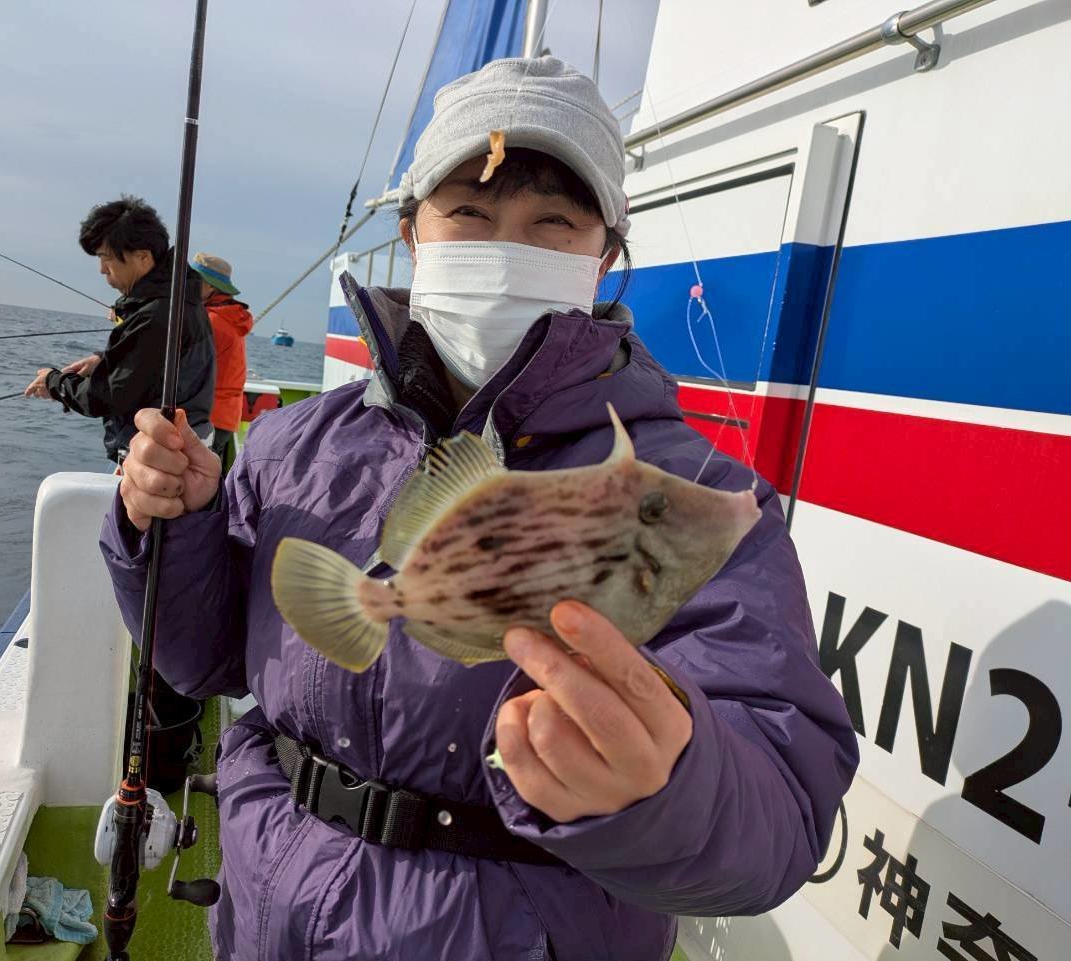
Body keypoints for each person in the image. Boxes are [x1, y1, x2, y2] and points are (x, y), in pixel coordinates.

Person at [100, 58, 858, 960]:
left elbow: (779, 809)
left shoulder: (698, 491)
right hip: (272, 913)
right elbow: (206, 661)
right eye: (468, 210)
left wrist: (668, 787)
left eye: (554, 222)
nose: (506, 248)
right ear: (414, 233)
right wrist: (174, 526)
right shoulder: (292, 442)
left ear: (604, 254)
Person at [23, 195, 215, 464]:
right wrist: (105, 360)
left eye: (106, 258)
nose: (102, 269)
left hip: (161, 459)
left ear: (142, 257)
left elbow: (105, 397)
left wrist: (54, 382)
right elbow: (154, 364)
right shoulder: (180, 300)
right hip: (176, 447)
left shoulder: (157, 314)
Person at [188, 252, 253, 463]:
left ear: (209, 286)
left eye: (193, 279)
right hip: (223, 417)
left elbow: (181, 360)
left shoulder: (210, 321)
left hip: (207, 416)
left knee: (194, 475)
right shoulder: (228, 317)